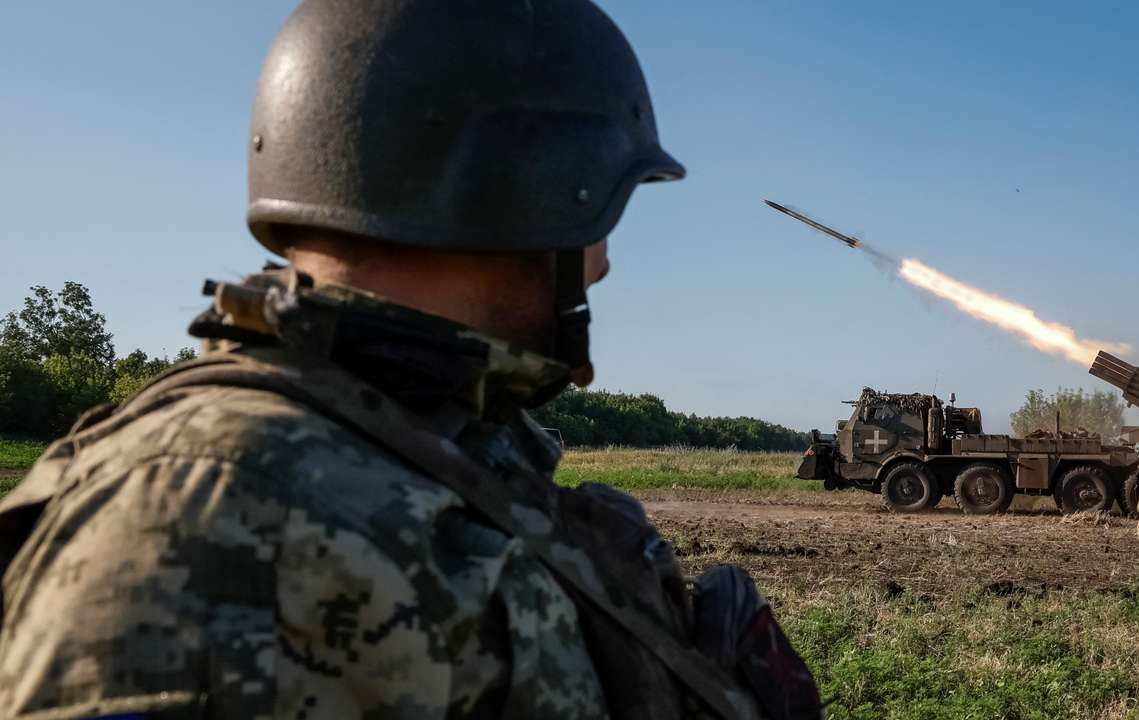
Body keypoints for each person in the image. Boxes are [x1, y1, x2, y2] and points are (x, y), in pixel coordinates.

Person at [0, 1, 820, 718]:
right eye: (604, 205)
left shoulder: (417, 445)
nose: (603, 259)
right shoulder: (200, 521)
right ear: (523, 185)